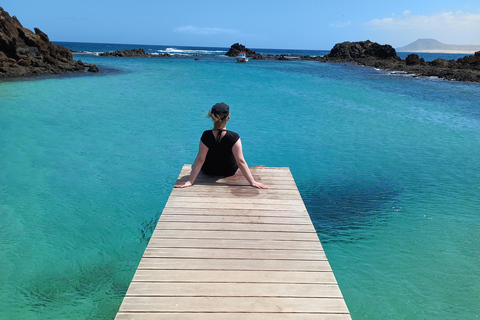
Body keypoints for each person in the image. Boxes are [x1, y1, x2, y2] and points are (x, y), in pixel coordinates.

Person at [174, 102, 267, 189]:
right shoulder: (234, 137)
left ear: (212, 117)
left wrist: (190, 181)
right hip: (229, 171)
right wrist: (252, 182)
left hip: (208, 170)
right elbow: (240, 161)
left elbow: (200, 159)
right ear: (228, 117)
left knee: (195, 164)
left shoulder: (206, 135)